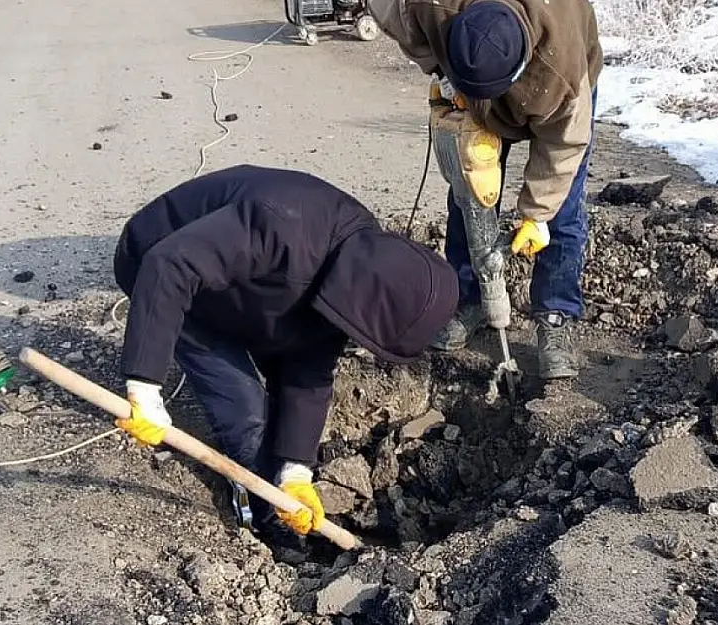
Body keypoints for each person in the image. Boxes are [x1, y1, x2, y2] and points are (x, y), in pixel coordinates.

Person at [111, 165, 458, 537]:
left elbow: (309, 366)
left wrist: (295, 471)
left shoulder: (359, 265)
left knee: (285, 377)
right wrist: (145, 384)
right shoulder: (283, 228)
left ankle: (277, 487)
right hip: (159, 260)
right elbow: (170, 264)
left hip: (242, 286)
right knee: (246, 413)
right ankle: (263, 519)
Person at [368, 0, 602, 379]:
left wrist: (536, 214)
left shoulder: (563, 72)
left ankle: (555, 314)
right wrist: (439, 68)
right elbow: (387, 11)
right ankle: (469, 297)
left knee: (563, 210)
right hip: (465, 78)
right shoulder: (433, 6)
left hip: (555, 85)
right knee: (468, 191)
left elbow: (563, 147)